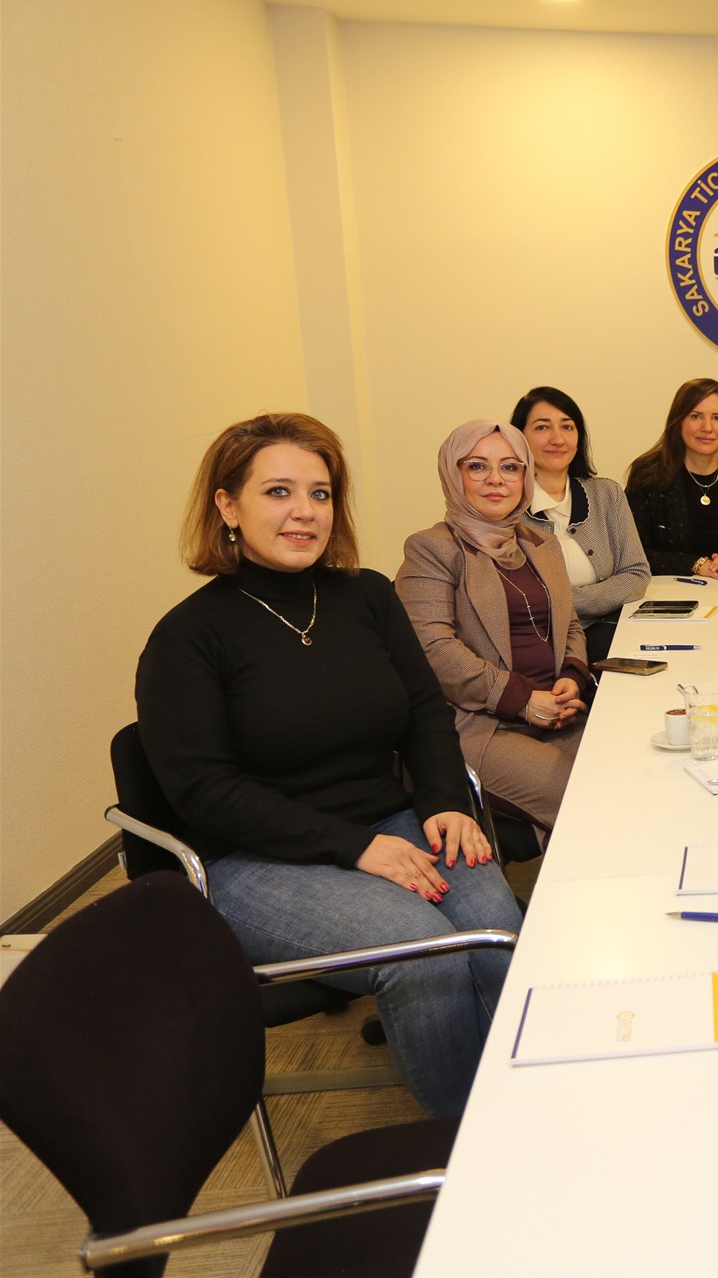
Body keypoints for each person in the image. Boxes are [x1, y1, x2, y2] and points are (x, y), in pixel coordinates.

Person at [135, 413, 520, 1118]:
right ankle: (469, 1146)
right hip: (255, 858)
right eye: (278, 492)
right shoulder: (188, 637)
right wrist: (357, 847)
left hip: (392, 822)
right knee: (427, 956)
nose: (305, 512)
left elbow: (423, 712)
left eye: (320, 493)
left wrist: (444, 801)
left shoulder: (367, 596)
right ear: (227, 505)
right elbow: (204, 792)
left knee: (500, 931)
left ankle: (528, 1109)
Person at [398, 420, 590, 831]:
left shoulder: (541, 544)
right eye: (477, 466)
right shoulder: (431, 548)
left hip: (558, 714)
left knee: (630, 770)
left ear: (526, 476)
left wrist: (572, 678)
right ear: (453, 474)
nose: (495, 479)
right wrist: (523, 700)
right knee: (585, 797)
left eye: (510, 467)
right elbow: (432, 648)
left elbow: (569, 623)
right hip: (481, 725)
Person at [512, 385, 651, 665]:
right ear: (519, 437)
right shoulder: (507, 508)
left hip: (611, 631)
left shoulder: (607, 494)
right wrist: (600, 598)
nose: (557, 439)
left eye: (567, 427)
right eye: (542, 427)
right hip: (539, 643)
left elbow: (637, 574)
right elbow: (519, 601)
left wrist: (565, 601)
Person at [624, 378, 718, 578]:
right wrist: (697, 564)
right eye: (695, 416)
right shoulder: (648, 475)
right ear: (678, 422)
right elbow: (632, 552)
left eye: (717, 418)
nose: (707, 427)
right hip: (672, 591)